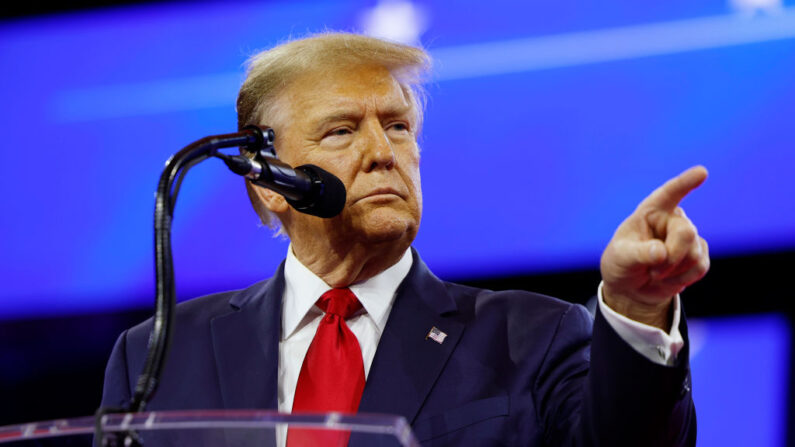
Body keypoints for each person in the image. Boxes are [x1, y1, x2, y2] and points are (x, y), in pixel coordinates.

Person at [102, 33, 707, 446]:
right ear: (270, 185)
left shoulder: (532, 337)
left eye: (398, 126)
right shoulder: (156, 354)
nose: (383, 153)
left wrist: (635, 309)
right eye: (341, 131)